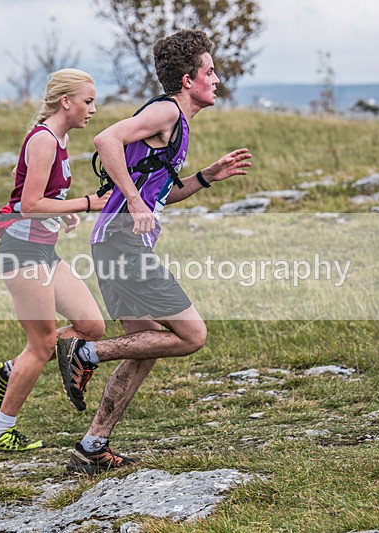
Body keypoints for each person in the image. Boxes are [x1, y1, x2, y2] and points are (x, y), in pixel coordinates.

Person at [55, 29, 253, 473]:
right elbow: (105, 140)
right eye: (210, 71)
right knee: (191, 335)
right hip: (123, 240)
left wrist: (206, 176)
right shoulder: (165, 110)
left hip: (114, 241)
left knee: (142, 350)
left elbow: (163, 191)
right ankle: (86, 353)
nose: (217, 79)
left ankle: (91, 448)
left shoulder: (176, 125)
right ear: (188, 80)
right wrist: (137, 201)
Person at [0, 68, 110, 452]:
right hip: (22, 253)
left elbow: (38, 195)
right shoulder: (43, 140)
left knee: (91, 325)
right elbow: (29, 203)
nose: (92, 109)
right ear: (65, 101)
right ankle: (2, 431)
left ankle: (9, 370)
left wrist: (63, 211)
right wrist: (86, 204)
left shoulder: (59, 138)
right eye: (88, 101)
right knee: (40, 346)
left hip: (43, 250)